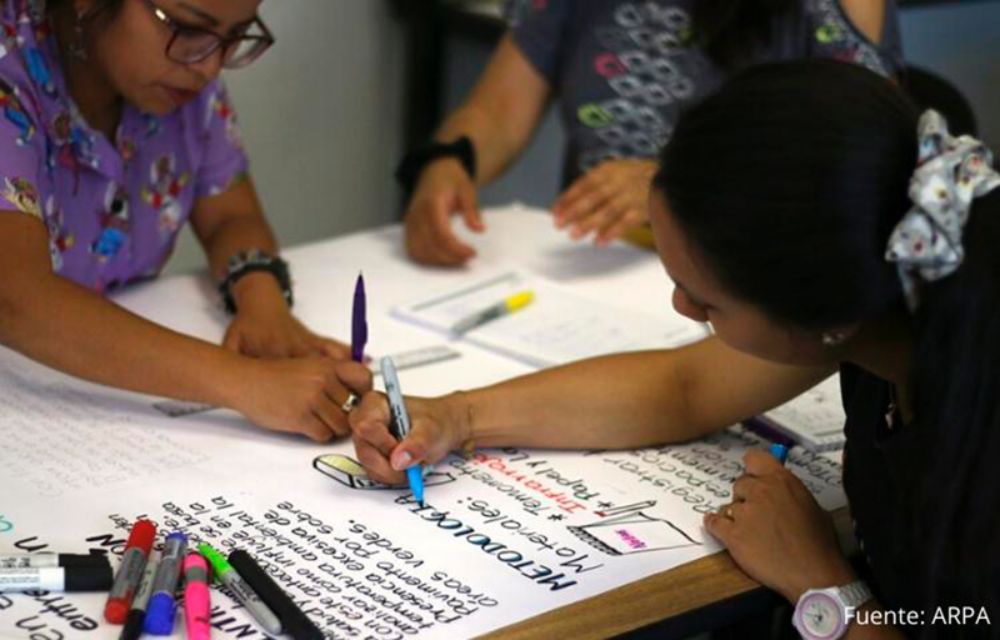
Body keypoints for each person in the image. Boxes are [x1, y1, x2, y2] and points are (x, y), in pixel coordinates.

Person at [352, 60, 1000, 637]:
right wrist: (457, 416)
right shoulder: (887, 288)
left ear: (824, 315)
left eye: (705, 301)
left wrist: (822, 587)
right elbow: (680, 389)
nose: (680, 310)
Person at [0, 0, 369, 441]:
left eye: (234, 37)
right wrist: (244, 383)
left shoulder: (178, 80)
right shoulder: (12, 71)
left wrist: (260, 298)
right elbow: (16, 299)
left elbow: (229, 217)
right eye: (190, 28)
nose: (210, 68)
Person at [398, 0, 903, 265]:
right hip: (594, 268)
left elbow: (859, 160)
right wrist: (448, 159)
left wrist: (679, 185)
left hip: (750, 286)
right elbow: (498, 110)